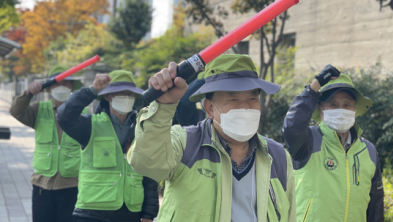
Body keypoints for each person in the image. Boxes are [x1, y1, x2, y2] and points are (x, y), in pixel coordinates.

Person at [128, 54, 296, 222]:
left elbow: (290, 215)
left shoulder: (278, 156)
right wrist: (163, 107)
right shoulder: (186, 142)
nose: (245, 107)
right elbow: (147, 164)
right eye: (234, 99)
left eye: (252, 99)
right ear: (209, 108)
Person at [282, 65, 384, 222]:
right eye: (333, 105)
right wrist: (313, 87)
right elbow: (291, 127)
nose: (341, 110)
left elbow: (375, 206)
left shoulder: (368, 151)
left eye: (347, 104)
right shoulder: (308, 141)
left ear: (354, 109)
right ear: (321, 109)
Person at [56, 70, 159, 222]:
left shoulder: (141, 129)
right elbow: (64, 116)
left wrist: (148, 214)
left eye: (129, 94)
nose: (126, 98)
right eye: (120, 93)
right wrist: (91, 91)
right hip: (92, 212)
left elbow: (149, 173)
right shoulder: (90, 126)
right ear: (108, 96)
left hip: (130, 212)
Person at [9, 65, 84, 222]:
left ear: (71, 87)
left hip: (72, 185)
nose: (62, 87)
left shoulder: (82, 114)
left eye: (66, 83)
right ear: (49, 89)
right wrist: (29, 93)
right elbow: (16, 111)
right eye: (57, 83)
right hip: (42, 185)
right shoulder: (39, 110)